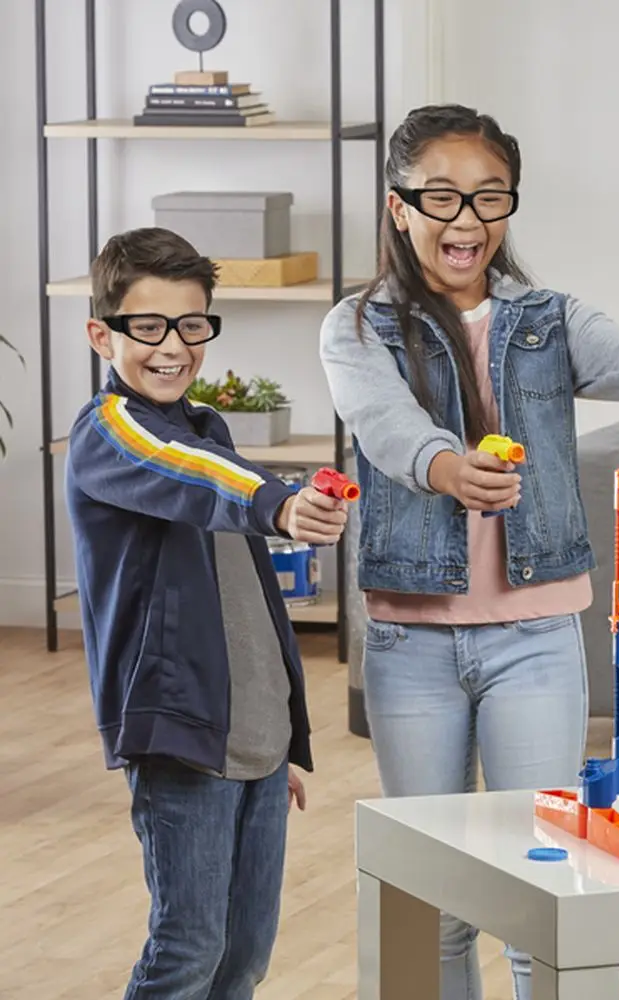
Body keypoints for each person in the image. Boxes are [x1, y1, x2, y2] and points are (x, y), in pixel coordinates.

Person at [319, 103, 619, 1000]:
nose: (467, 219)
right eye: (441, 196)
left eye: (490, 196)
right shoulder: (356, 327)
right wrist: (449, 468)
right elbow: (386, 426)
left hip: (536, 639)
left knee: (546, 888)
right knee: (433, 899)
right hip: (410, 641)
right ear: (399, 207)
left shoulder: (549, 318)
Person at [65, 227, 349, 999]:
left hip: (253, 740)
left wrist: (274, 742)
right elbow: (186, 472)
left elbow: (246, 600)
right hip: (183, 738)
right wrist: (279, 502)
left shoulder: (208, 431)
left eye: (191, 325)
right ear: (102, 335)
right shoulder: (107, 433)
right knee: (187, 952)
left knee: (243, 958)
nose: (173, 346)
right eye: (148, 326)